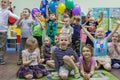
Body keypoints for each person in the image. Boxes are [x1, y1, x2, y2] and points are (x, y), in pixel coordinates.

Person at [0, 0, 19, 64]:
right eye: (2, 2)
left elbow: (14, 16)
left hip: (3, 31)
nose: (3, 3)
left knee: (2, 46)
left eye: (5, 2)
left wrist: (21, 18)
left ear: (8, 5)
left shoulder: (8, 12)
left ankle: (1, 59)